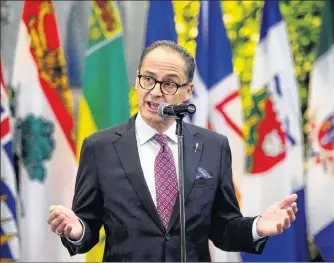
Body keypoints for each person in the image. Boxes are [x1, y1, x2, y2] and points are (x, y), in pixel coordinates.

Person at [47, 40, 298, 262]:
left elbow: (224, 228)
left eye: (169, 84)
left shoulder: (214, 146)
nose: (155, 91)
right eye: (148, 79)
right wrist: (77, 229)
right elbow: (88, 225)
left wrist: (257, 227)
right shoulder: (99, 147)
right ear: (137, 81)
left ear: (187, 91)